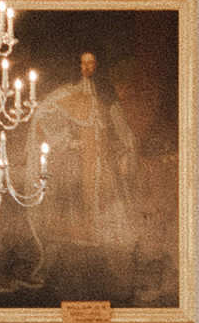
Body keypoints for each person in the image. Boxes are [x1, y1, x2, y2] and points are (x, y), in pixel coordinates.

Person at [23, 49, 143, 290]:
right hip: (78, 167)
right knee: (71, 221)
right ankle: (56, 271)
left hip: (104, 168)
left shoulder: (106, 99)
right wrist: (67, 140)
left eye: (92, 63)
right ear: (77, 65)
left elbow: (121, 135)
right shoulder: (69, 93)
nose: (88, 67)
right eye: (83, 62)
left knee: (112, 220)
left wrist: (123, 153)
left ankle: (118, 276)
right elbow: (44, 115)